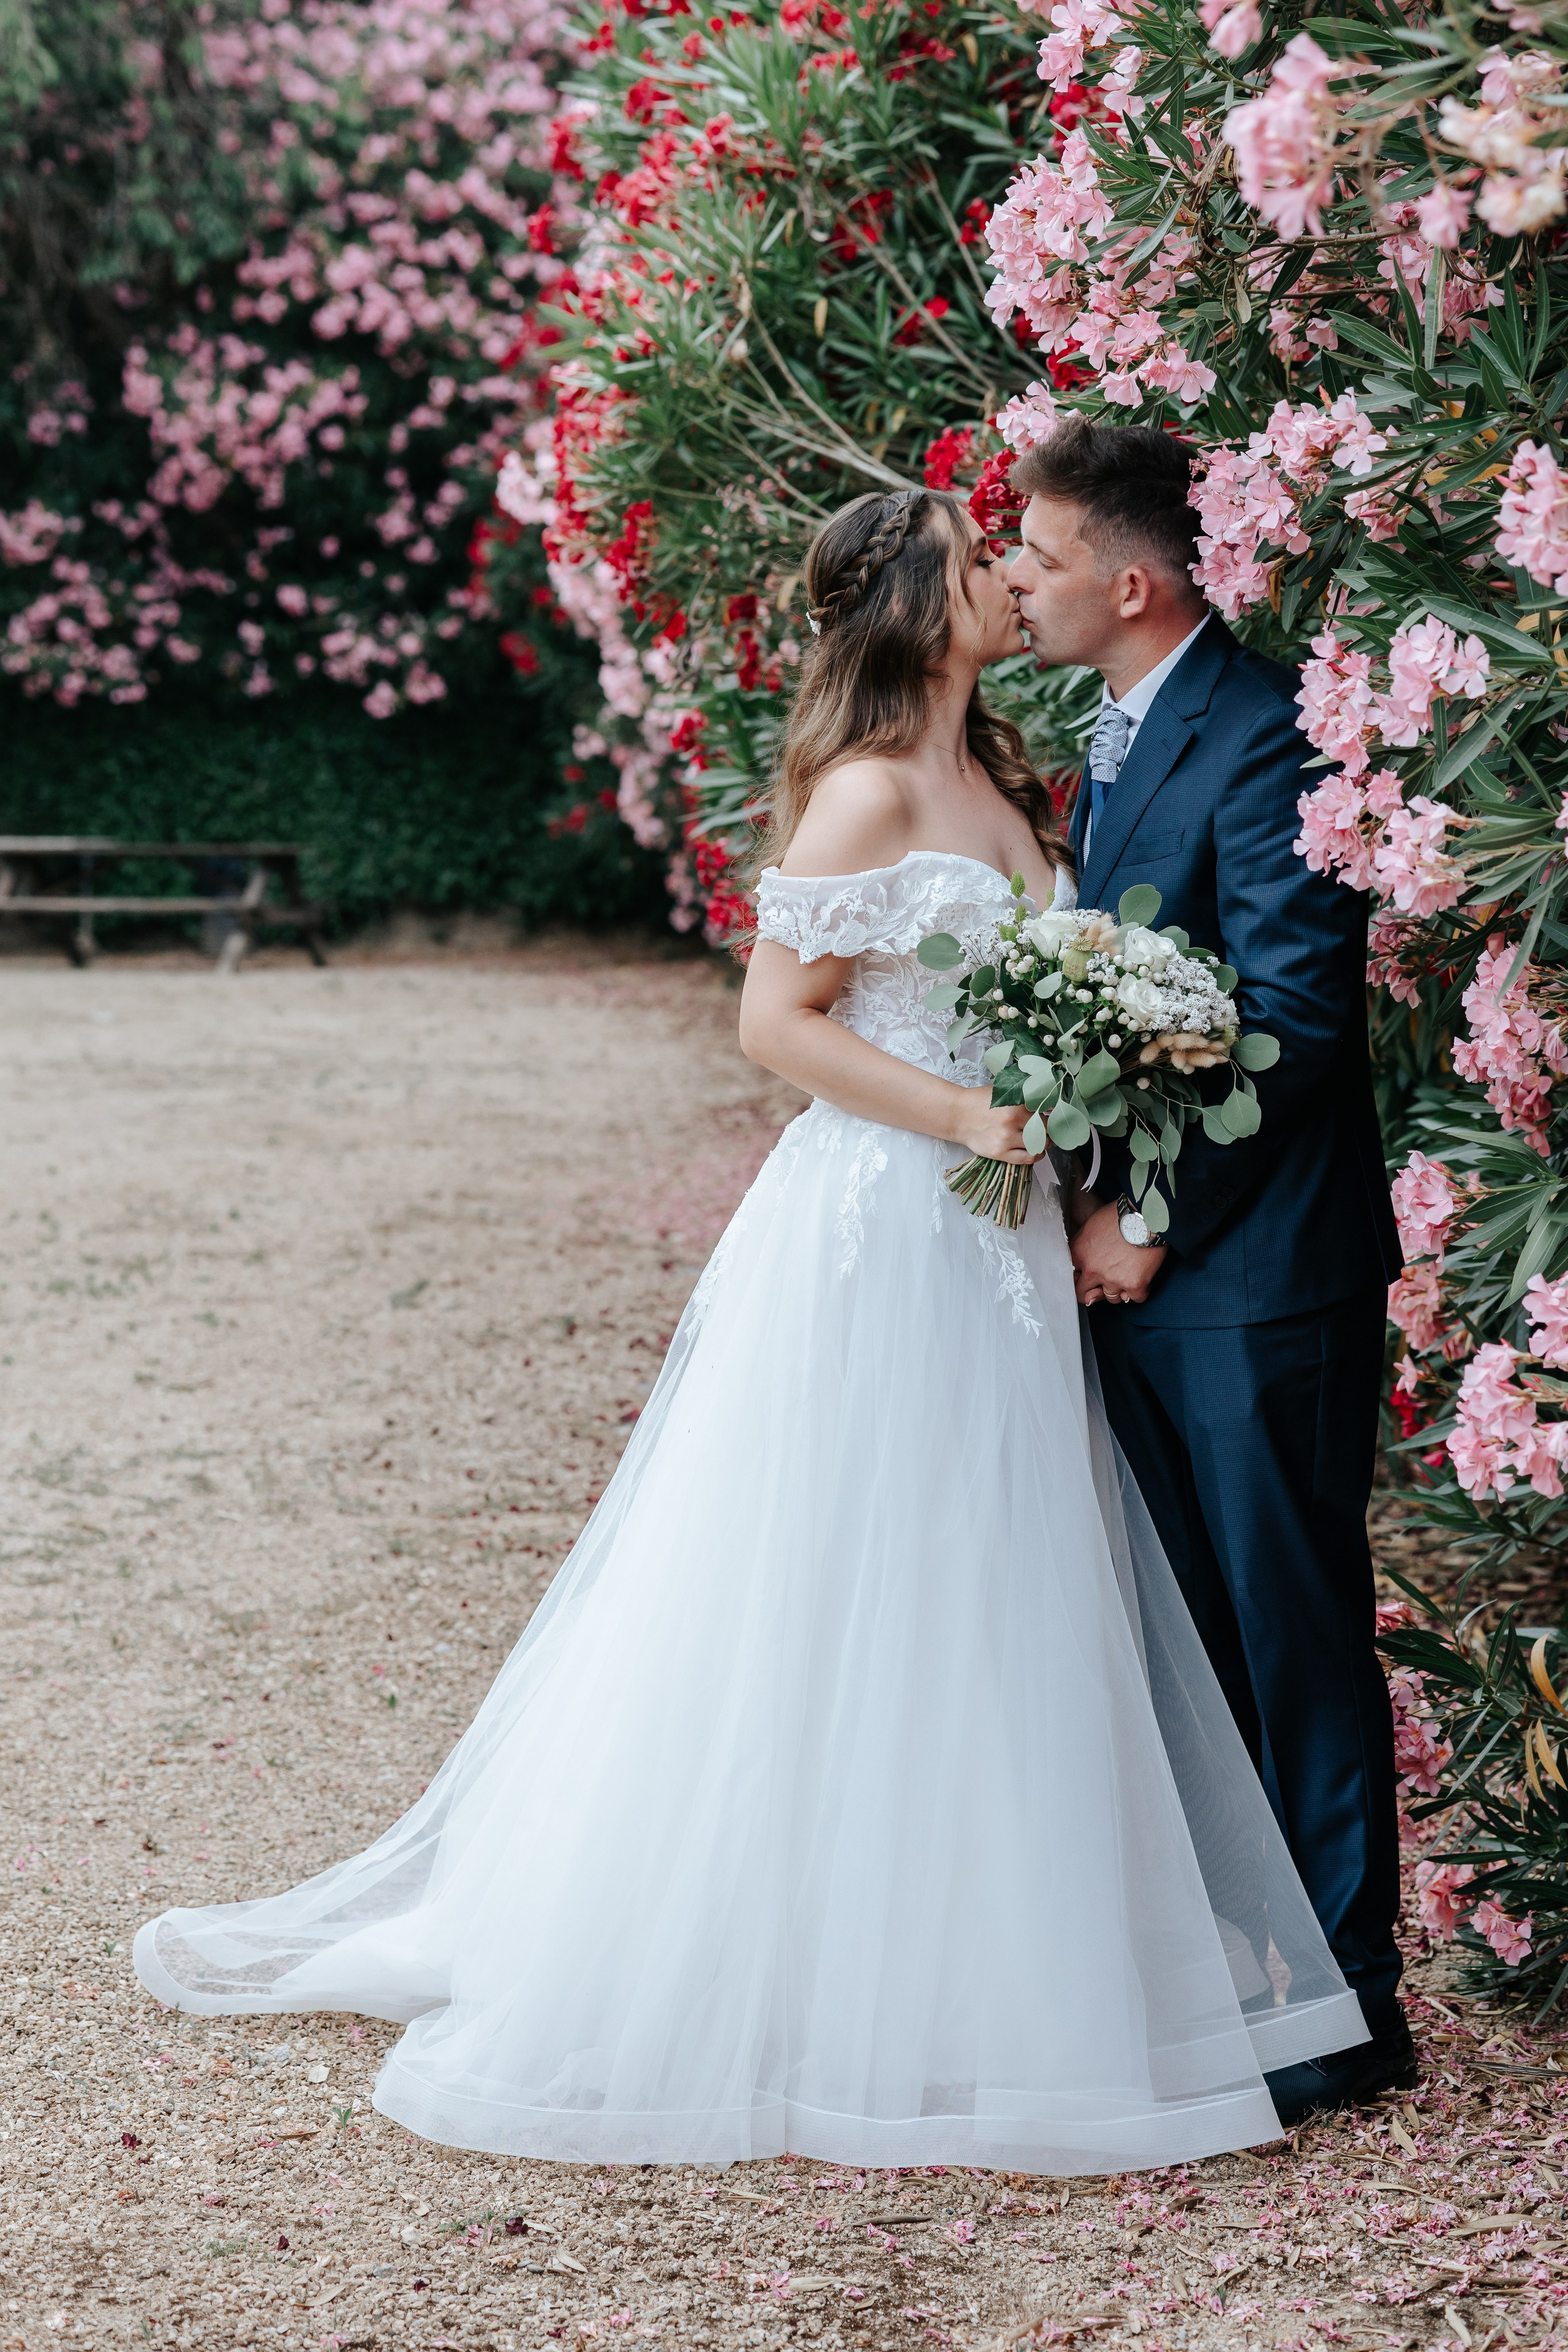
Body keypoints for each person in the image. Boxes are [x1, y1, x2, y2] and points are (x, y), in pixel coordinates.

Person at [134, 485, 1368, 2171]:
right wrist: (976, 1124)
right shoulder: (863, 795)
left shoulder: (1012, 779)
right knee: (834, 1575)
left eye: (1025, 548)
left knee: (991, 1579)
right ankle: (791, 1951)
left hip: (1000, 1243)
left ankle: (975, 1941)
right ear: (911, 604)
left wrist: (1058, 1137)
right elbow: (773, 1026)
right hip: (888, 1223)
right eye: (976, 553)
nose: (1007, 568)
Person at [1005, 418, 1409, 2124]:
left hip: (1257, 1271)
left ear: (1133, 579)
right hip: (1138, 1281)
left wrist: (1150, 1214)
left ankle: (1348, 2009)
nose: (1014, 583)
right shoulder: (1105, 741)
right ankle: (1258, 1969)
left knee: (1291, 1620)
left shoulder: (1261, 740)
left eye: (1033, 559)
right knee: (1195, 1632)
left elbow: (1299, 1019)